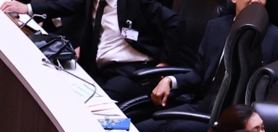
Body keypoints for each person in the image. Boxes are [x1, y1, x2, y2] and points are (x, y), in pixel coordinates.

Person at [138, 0, 278, 132]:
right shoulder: (216, 26)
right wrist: (170, 81)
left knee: (175, 130)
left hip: (235, 117)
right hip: (203, 105)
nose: (255, 0)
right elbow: (199, 74)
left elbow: (275, 91)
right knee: (139, 130)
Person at [2, 0, 184, 102]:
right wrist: (28, 9)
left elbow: (175, 23)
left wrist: (165, 63)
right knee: (61, 92)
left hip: (133, 71)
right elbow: (67, 5)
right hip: (102, 68)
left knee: (94, 105)